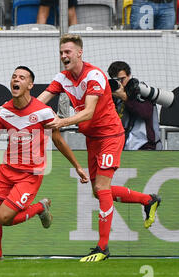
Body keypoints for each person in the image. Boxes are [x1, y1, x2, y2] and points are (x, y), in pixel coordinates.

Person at [40, 34, 161, 262]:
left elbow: (88, 112)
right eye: (61, 52)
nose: (64, 56)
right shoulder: (62, 78)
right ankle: (148, 200)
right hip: (92, 138)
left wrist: (61, 122)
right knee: (98, 192)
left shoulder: (94, 75)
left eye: (68, 52)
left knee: (103, 188)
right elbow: (41, 100)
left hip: (110, 136)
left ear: (79, 53)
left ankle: (102, 249)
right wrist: (17, 111)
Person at [0, 66, 89, 260]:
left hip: (30, 175)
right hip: (7, 171)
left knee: (3, 218)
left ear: (30, 85)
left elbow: (58, 140)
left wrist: (77, 166)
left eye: (22, 77)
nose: (16, 80)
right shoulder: (4, 112)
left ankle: (40, 207)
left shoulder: (44, 112)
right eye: (14, 76)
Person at [107, 61, 162, 150]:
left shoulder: (142, 90)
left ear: (129, 76)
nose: (120, 83)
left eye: (122, 79)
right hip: (122, 145)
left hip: (145, 146)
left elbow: (145, 113)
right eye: (116, 80)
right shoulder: (114, 94)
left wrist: (125, 98)